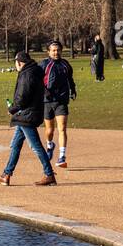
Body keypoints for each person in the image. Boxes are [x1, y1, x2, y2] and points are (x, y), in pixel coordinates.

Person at [0, 51, 56, 186]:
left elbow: (22, 98)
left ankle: (49, 174)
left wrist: (12, 109)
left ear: (19, 63)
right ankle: (7, 174)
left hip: (27, 115)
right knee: (16, 145)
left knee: (36, 146)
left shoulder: (27, 74)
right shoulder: (33, 71)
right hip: (27, 115)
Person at [42, 40, 77, 170]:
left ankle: (62, 157)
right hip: (47, 101)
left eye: (58, 50)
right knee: (49, 131)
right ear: (49, 52)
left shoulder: (65, 65)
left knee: (62, 129)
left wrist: (73, 90)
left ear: (61, 51)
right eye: (53, 50)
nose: (56, 52)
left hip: (61, 101)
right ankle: (50, 145)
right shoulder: (44, 64)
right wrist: (44, 92)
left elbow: (70, 79)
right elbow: (38, 80)